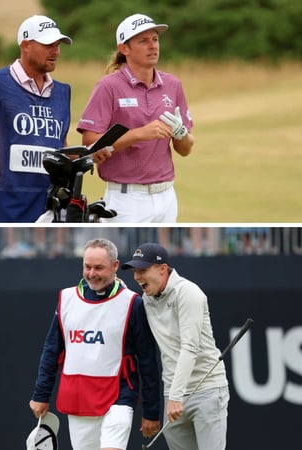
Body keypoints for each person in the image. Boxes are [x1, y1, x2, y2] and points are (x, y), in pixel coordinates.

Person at [29, 238, 161, 450]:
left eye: (99, 268)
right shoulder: (67, 298)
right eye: (87, 267)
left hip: (119, 397)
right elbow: (52, 349)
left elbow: (147, 360)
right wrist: (40, 395)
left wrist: (151, 411)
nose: (92, 273)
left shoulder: (132, 303)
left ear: (115, 266)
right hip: (79, 398)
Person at [77, 13, 195, 222]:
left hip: (167, 195)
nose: (153, 46)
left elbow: (184, 150)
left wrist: (181, 134)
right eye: (143, 41)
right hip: (126, 199)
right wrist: (139, 134)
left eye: (155, 39)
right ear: (124, 49)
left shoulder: (173, 85)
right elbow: (89, 143)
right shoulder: (109, 86)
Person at [0, 15, 73, 222]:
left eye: (58, 45)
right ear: (26, 45)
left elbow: (61, 146)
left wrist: (91, 154)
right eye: (48, 44)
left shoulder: (62, 91)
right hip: (11, 196)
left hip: (54, 197)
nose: (55, 51)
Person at [122, 243, 229, 450]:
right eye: (135, 271)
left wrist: (175, 396)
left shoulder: (188, 292)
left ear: (163, 269)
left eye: (142, 270)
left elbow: (190, 347)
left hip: (206, 389)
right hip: (173, 394)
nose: (137, 277)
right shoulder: (147, 298)